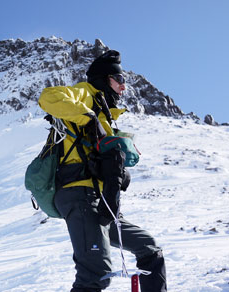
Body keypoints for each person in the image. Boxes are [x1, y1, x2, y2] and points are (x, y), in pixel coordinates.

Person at [38, 50, 167, 292]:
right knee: (96, 273)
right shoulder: (85, 94)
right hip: (79, 193)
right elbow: (48, 97)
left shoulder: (106, 114)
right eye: (120, 80)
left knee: (149, 248)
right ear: (103, 79)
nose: (124, 87)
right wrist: (88, 118)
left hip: (102, 201)